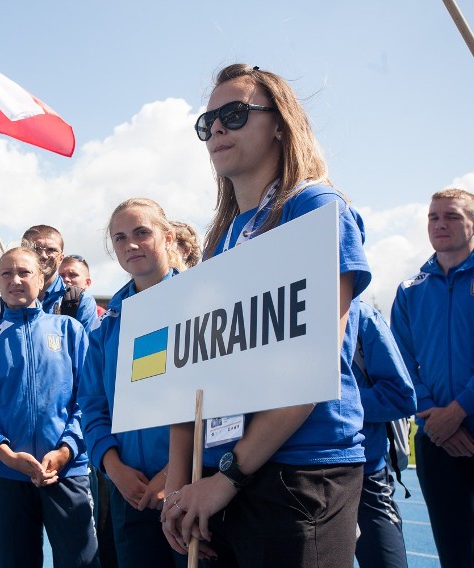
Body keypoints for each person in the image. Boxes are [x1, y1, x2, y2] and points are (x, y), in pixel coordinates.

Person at [161, 64, 372, 567]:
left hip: (300, 469)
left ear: (279, 123)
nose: (216, 129)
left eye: (233, 114)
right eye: (206, 121)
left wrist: (228, 478)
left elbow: (311, 361)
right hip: (229, 470)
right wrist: (180, 484)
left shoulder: (315, 206)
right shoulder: (226, 236)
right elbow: (197, 372)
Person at [0, 246, 99, 568]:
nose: (15, 280)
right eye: (6, 273)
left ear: (42, 279)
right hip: (4, 474)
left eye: (24, 272)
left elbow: (89, 400)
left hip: (66, 470)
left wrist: (66, 450)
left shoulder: (70, 331)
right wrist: (4, 452)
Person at [79, 198, 188, 568]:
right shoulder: (107, 325)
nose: (131, 245)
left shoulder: (200, 302)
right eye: (120, 237)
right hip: (130, 494)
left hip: (190, 489)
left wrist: (175, 471)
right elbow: (92, 404)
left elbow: (217, 400)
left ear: (168, 237)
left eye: (142, 232)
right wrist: (112, 467)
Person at [390, 188, 474, 568]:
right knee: (454, 552)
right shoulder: (410, 290)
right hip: (437, 437)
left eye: (452, 217)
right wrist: (432, 413)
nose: (440, 224)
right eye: (433, 217)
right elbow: (400, 363)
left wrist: (460, 410)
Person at [352, 301, 416, 568]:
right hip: (294, 478)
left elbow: (401, 397)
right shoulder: (279, 311)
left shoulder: (363, 318)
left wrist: (334, 400)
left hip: (365, 476)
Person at [0, 225, 99, 331]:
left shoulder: (79, 301)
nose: (43, 255)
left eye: (51, 250)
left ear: (61, 257)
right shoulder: (0, 306)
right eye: (36, 248)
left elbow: (89, 352)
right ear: (23, 252)